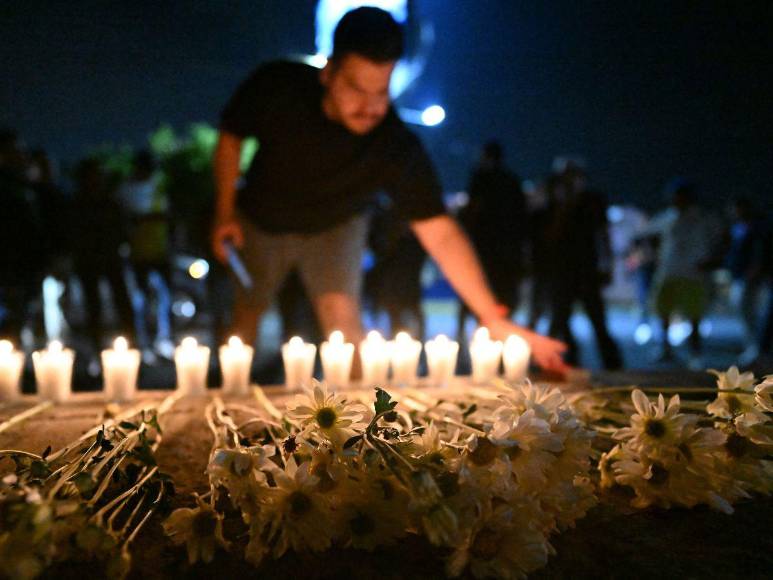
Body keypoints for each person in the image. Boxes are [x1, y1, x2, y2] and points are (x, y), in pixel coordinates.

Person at [211, 7, 568, 374]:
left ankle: (360, 420)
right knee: (246, 316)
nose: (370, 107)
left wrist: (491, 316)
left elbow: (441, 232)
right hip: (262, 220)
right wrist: (224, 212)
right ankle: (220, 407)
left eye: (381, 92)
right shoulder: (277, 85)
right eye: (356, 89)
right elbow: (230, 138)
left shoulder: (395, 146)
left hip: (336, 227)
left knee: (346, 324)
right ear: (329, 71)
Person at [546, 160, 623, 369]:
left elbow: (603, 235)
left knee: (598, 320)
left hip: (587, 269)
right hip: (563, 270)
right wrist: (563, 206)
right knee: (560, 319)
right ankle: (567, 359)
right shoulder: (555, 202)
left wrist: (608, 266)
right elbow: (550, 236)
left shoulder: (592, 200)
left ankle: (612, 364)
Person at [641, 179, 723, 362]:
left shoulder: (703, 218)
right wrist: (653, 255)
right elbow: (646, 234)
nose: (677, 200)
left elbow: (722, 238)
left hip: (693, 274)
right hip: (668, 272)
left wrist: (712, 261)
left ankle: (695, 352)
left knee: (694, 315)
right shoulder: (667, 217)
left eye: (681, 197)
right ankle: (666, 349)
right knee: (663, 312)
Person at [457, 140, 527, 337]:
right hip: (507, 254)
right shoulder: (512, 181)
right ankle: (497, 346)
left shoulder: (482, 178)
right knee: (502, 302)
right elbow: (522, 219)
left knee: (474, 297)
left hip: (484, 252)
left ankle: (475, 344)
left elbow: (473, 210)